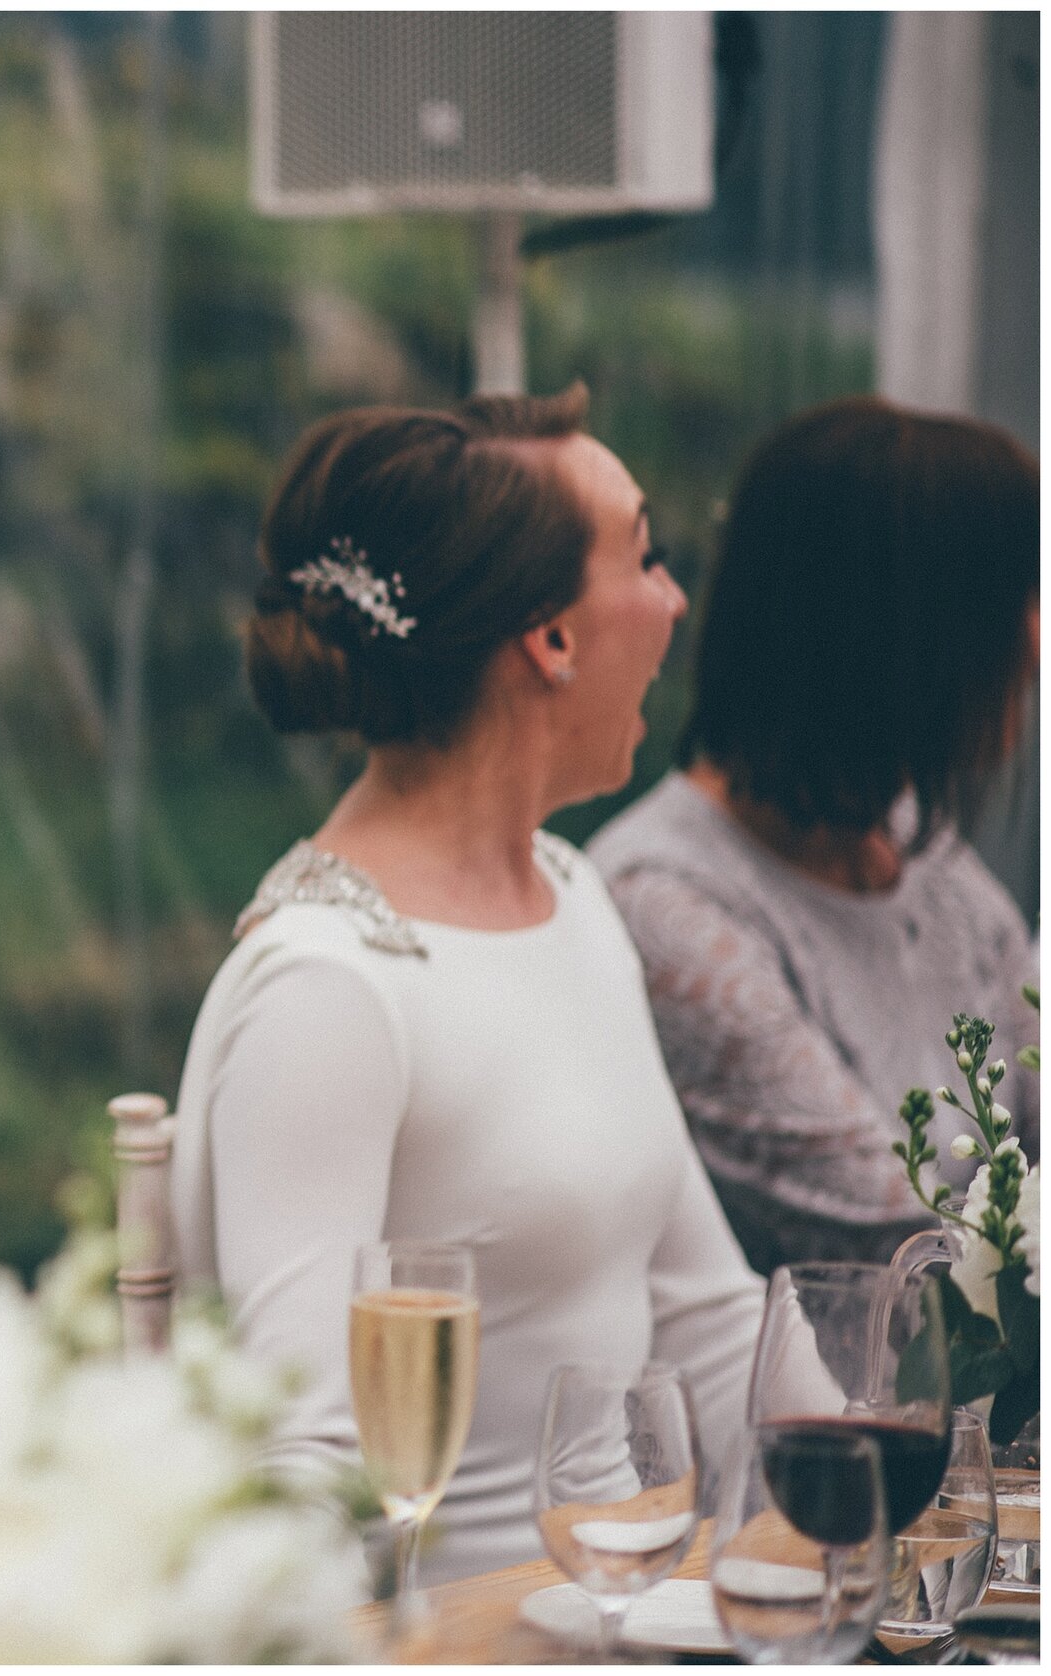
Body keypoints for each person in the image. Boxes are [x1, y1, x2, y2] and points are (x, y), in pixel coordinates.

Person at [169, 385, 765, 1586]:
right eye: (644, 557)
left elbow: (711, 1319)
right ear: (548, 637)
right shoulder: (327, 990)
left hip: (650, 1614)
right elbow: (304, 1465)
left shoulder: (572, 890)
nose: (673, 600)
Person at [589, 398, 1040, 1274]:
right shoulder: (669, 909)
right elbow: (915, 1241)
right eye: (1016, 596)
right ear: (903, 629)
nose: (1036, 639)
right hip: (799, 1411)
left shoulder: (920, 854)